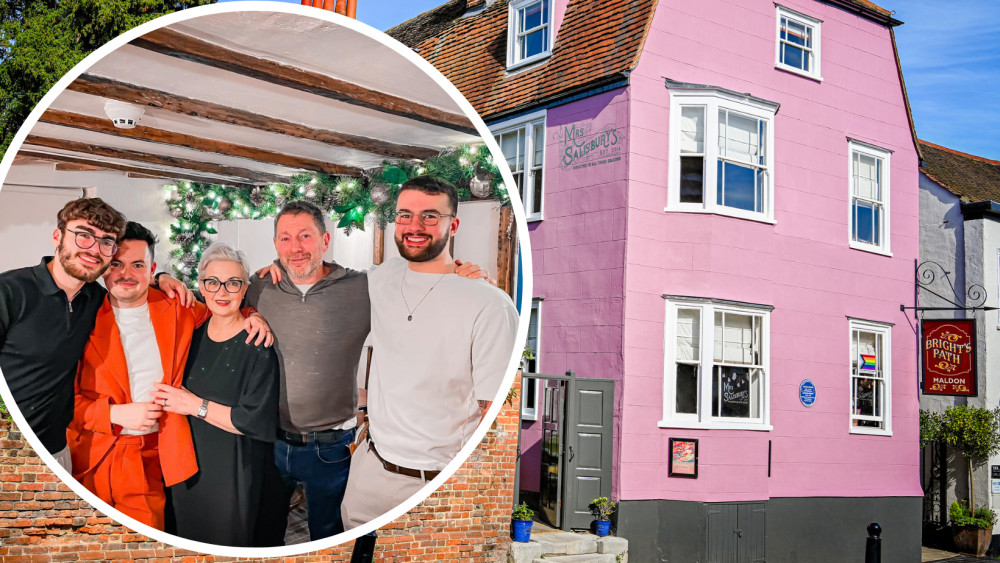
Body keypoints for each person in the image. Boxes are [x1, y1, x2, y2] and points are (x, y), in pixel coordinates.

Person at [249, 200, 490, 542]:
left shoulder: (361, 287)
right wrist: (169, 279)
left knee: (331, 539)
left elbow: (418, 285)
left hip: (330, 447)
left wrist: (463, 276)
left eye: (305, 236)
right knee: (263, 533)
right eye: (285, 239)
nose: (296, 247)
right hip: (271, 440)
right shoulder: (259, 287)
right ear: (275, 245)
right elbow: (211, 301)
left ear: (325, 240)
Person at [67, 222, 272, 530]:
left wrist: (253, 315)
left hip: (157, 457)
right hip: (93, 457)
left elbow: (223, 305)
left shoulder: (179, 308)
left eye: (137, 265)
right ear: (104, 267)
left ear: (151, 269)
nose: (126, 274)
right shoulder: (81, 316)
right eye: (117, 264)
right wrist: (113, 413)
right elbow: (57, 401)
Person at [340, 176, 518, 530]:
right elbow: (320, 282)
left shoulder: (488, 304)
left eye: (430, 217)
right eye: (405, 215)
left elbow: (495, 415)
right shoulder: (382, 277)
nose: (415, 227)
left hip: (432, 481)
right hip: (368, 471)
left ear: (454, 224)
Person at [154, 242, 280, 547]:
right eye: (213, 282)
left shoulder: (258, 344)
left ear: (245, 288)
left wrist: (194, 405)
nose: (222, 292)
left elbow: (252, 420)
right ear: (201, 286)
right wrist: (161, 277)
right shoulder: (190, 332)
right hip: (186, 464)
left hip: (232, 471)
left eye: (233, 283)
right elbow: (131, 279)